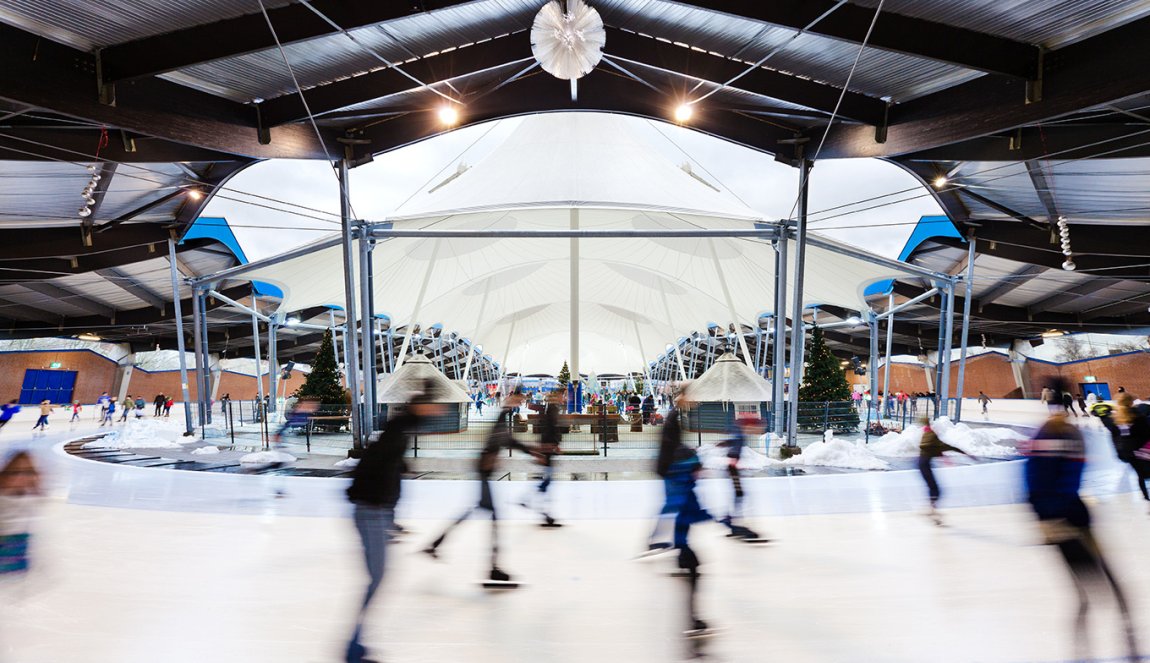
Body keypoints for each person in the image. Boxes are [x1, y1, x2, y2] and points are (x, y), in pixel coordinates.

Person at [1023, 381, 1138, 660]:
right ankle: (1090, 649)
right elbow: (1036, 481)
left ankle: (1115, 643)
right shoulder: (1055, 434)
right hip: (1063, 523)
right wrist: (1049, 519)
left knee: (1104, 587)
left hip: (1074, 519)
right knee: (1094, 590)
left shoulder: (1061, 433)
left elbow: (1039, 480)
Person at [344, 381, 443, 663]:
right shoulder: (397, 432)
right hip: (371, 511)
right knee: (376, 579)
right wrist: (374, 502)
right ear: (420, 407)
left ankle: (355, 644)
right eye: (431, 406)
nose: (435, 411)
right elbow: (371, 465)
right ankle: (352, 647)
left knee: (377, 578)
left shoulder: (399, 429)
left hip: (376, 511)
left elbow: (380, 464)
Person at [423, 388, 539, 584]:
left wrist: (529, 450)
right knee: (493, 516)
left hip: (484, 470)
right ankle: (492, 567)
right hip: (483, 470)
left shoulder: (504, 414)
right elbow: (501, 439)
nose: (520, 403)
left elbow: (503, 439)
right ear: (511, 398)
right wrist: (530, 451)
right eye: (518, 399)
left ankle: (436, 544)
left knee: (476, 511)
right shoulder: (503, 414)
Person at [1096, 392, 1150, 502]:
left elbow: (1114, 434)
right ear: (1131, 402)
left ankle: (1145, 496)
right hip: (1141, 448)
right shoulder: (1138, 416)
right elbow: (1146, 433)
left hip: (1127, 451)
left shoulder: (1114, 419)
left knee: (1139, 474)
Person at [520, 389, 563, 527]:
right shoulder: (552, 410)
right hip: (548, 450)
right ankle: (538, 507)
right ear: (557, 397)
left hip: (549, 449)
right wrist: (550, 447)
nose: (565, 398)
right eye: (563, 395)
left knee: (547, 480)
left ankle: (537, 507)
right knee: (547, 480)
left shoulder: (551, 409)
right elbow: (550, 430)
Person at [918, 416, 972, 524]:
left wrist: (942, 455)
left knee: (933, 487)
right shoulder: (931, 435)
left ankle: (931, 509)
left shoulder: (927, 434)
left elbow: (932, 447)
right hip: (924, 464)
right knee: (935, 488)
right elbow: (946, 446)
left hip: (922, 464)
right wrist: (964, 453)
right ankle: (931, 511)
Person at [717, 418, 763, 540]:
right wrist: (733, 460)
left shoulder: (738, 432)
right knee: (739, 494)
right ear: (749, 425)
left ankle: (731, 521)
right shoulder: (739, 434)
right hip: (733, 469)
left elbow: (730, 443)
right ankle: (730, 521)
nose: (756, 431)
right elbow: (734, 447)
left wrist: (724, 444)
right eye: (755, 427)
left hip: (733, 468)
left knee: (739, 494)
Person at [0, 450, 41, 576]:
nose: (21, 477)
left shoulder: (30, 501)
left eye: (28, 472)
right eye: (16, 472)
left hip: (17, 569)